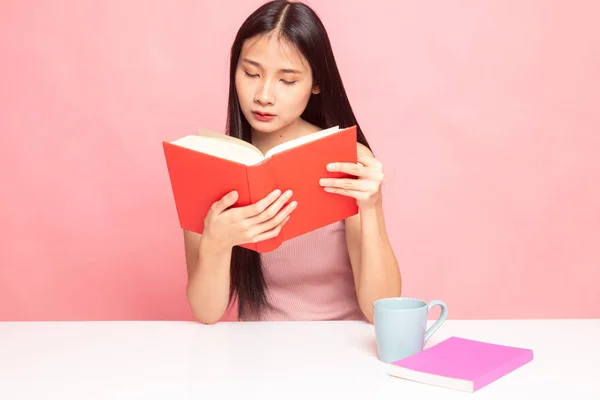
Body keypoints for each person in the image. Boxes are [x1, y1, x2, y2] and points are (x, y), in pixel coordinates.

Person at [183, 0, 401, 324]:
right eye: (251, 73)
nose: (264, 96)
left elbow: (380, 309)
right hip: (257, 355)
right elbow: (206, 312)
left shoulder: (347, 160)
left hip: (341, 351)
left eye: (287, 80)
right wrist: (215, 244)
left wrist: (371, 208)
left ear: (316, 83)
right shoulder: (209, 164)